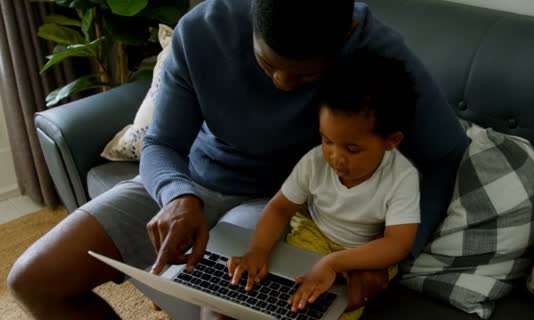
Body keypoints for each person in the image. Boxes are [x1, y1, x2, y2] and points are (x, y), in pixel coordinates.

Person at [7, 0, 469, 319]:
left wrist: (388, 259)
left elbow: (444, 153)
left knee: (224, 308)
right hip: (195, 180)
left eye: (305, 76)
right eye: (268, 64)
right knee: (32, 280)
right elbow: (162, 144)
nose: (283, 83)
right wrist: (177, 195)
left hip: (283, 203)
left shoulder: (379, 50)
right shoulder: (203, 29)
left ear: (344, 40)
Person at [228, 50, 420, 320]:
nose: (335, 157)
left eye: (352, 149)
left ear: (392, 141)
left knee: (334, 311)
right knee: (286, 297)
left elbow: (398, 244)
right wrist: (257, 250)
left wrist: (333, 263)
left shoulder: (402, 177)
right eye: (327, 140)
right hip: (314, 233)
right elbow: (280, 208)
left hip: (363, 253)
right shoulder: (315, 162)